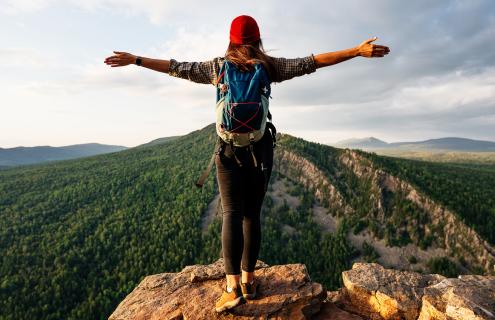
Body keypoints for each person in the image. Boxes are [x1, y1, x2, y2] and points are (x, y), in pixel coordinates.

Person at [104, 14, 389, 313]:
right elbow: (312, 62)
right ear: (257, 39)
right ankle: (249, 283)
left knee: (231, 214)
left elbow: (176, 68)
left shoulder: (216, 67)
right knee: (252, 216)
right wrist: (356, 51)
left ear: (231, 39)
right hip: (260, 149)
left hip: (228, 151)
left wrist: (136, 60)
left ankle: (231, 288)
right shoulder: (269, 66)